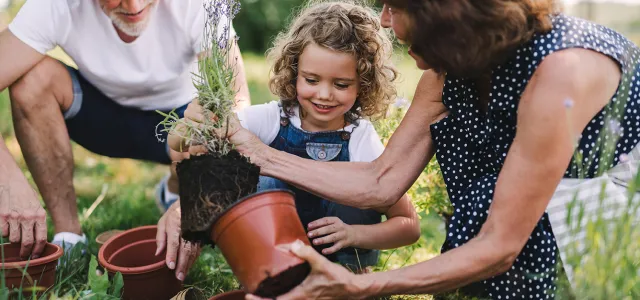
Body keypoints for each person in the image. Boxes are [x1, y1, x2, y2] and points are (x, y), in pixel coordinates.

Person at [174, 0, 640, 298]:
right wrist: (260, 154)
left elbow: (499, 245)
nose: (383, 21)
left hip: (601, 215)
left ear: (445, 13)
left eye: (395, 6)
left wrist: (358, 286)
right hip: (514, 206)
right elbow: (382, 180)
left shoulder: (560, 74)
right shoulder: (449, 69)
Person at [163, 1, 421, 274]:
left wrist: (355, 234)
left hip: (339, 264)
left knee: (359, 189)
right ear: (295, 73)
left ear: (364, 84)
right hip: (275, 258)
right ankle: (267, 271)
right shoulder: (272, 119)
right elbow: (180, 145)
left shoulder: (360, 138)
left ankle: (351, 275)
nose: (323, 94)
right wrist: (188, 126)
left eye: (341, 84)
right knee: (262, 178)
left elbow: (408, 225)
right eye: (311, 80)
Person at [0, 0, 249, 267]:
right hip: (101, 118)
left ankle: (176, 190)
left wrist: (193, 199)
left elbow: (236, 103)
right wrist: (8, 181)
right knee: (31, 81)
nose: (133, 6)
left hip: (179, 122)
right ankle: (69, 236)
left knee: (215, 117)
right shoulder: (55, 5)